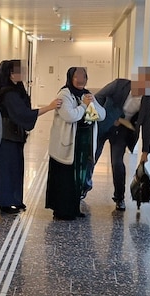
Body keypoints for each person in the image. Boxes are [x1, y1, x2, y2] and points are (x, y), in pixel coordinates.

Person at [0, 59, 61, 214]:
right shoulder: (8, 94)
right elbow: (23, 114)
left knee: (15, 168)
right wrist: (49, 107)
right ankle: (5, 202)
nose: (23, 74)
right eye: (19, 71)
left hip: (13, 136)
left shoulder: (16, 90)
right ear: (10, 74)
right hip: (6, 137)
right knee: (7, 170)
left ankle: (14, 200)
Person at [93, 66, 150, 211]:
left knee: (117, 163)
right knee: (92, 157)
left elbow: (148, 127)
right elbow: (98, 97)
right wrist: (103, 115)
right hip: (104, 123)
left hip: (122, 131)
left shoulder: (148, 101)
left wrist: (145, 151)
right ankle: (83, 187)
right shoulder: (119, 85)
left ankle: (119, 198)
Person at [46, 67, 105, 220]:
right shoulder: (64, 94)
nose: (81, 80)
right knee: (65, 179)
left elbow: (101, 115)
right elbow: (70, 116)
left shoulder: (87, 94)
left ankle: (74, 208)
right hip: (67, 144)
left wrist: (92, 103)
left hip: (83, 144)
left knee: (78, 178)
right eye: (77, 77)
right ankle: (62, 211)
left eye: (84, 77)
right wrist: (84, 105)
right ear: (70, 78)